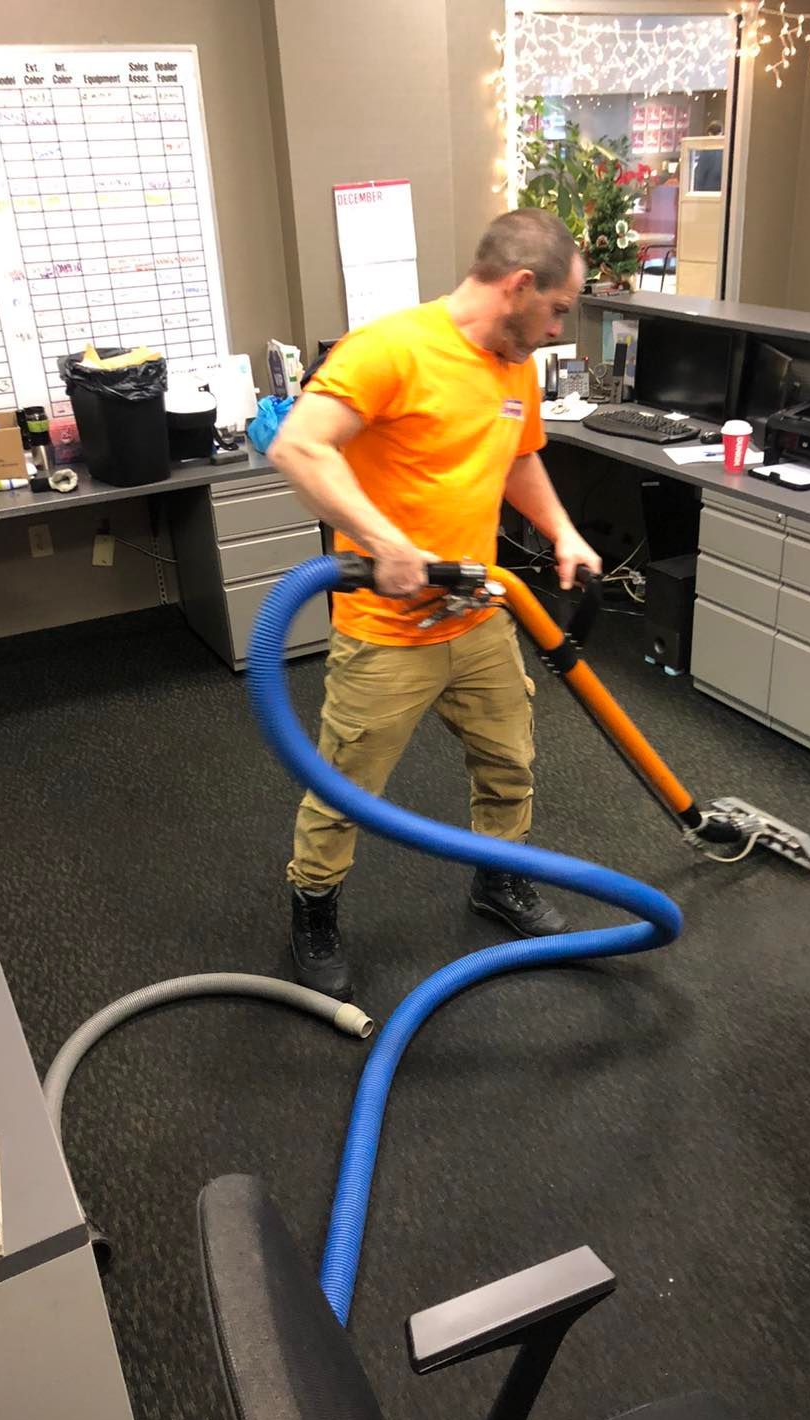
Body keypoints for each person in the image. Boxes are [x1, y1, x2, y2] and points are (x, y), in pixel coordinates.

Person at [268, 208, 601, 1000]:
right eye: (559, 309)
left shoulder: (512, 360)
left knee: (510, 760)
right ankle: (312, 907)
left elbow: (517, 457)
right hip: (387, 633)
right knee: (347, 785)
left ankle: (499, 878)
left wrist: (561, 530)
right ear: (520, 286)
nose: (558, 329)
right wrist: (384, 542)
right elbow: (297, 444)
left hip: (479, 615)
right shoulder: (390, 349)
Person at [692, 120, 723, 193]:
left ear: (709, 133)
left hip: (706, 193)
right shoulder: (726, 151)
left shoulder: (706, 151)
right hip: (722, 194)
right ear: (721, 133)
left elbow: (699, 177)